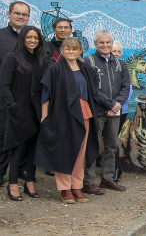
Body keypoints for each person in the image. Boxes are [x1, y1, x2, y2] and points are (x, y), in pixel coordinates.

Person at [35, 37, 101, 204]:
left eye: (74, 49)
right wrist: (44, 115)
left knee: (80, 152)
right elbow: (46, 94)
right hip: (62, 114)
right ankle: (65, 189)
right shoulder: (54, 69)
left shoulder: (86, 69)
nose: (71, 52)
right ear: (63, 50)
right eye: (68, 49)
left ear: (80, 51)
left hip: (84, 112)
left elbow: (93, 93)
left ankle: (76, 186)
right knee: (64, 150)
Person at [0, 26, 48, 200]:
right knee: (17, 149)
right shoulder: (12, 59)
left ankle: (30, 181)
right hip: (19, 112)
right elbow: (4, 85)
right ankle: (12, 183)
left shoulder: (40, 60)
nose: (32, 41)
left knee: (32, 149)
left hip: (35, 111)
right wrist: (12, 105)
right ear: (22, 39)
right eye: (29, 38)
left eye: (35, 38)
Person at [82, 30, 130, 195]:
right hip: (97, 112)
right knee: (92, 147)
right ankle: (87, 182)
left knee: (111, 147)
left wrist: (116, 105)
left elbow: (125, 87)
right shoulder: (88, 62)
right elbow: (92, 89)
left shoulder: (119, 64)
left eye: (108, 42)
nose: (105, 45)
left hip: (114, 112)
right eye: (101, 43)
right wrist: (110, 104)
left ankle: (107, 178)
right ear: (95, 44)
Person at [0, 1, 30, 185]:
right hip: (3, 96)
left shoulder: (33, 37)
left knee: (24, 135)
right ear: (9, 14)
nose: (20, 17)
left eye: (24, 14)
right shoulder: (1, 36)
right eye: (17, 13)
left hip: (26, 97)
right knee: (3, 136)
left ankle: (21, 169)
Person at [111, 40, 130, 182]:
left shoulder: (123, 67)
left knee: (112, 139)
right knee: (109, 140)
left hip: (120, 111)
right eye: (113, 51)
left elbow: (127, 90)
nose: (116, 54)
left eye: (118, 51)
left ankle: (117, 168)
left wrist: (116, 104)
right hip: (105, 109)